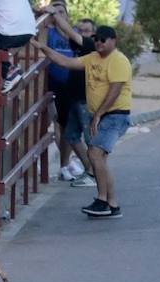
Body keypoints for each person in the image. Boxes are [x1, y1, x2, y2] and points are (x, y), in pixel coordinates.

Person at [32, 25, 133, 219]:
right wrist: (42, 48)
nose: (98, 43)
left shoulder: (119, 60)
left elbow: (115, 91)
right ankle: (112, 205)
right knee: (99, 158)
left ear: (113, 41)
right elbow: (66, 62)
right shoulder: (92, 58)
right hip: (102, 115)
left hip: (116, 115)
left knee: (95, 153)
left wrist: (97, 115)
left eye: (103, 39)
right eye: (96, 39)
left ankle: (102, 201)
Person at [44, 3, 96, 184]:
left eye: (61, 12)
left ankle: (92, 172)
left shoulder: (88, 44)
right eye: (81, 29)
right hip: (64, 90)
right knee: (69, 133)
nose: (83, 32)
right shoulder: (52, 33)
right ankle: (84, 169)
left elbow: (64, 59)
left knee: (88, 138)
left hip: (83, 98)